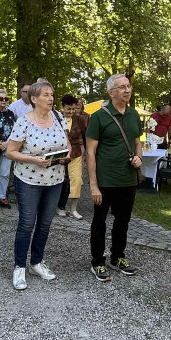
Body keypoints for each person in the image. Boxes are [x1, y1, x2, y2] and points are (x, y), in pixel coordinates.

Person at [5, 79, 72, 290]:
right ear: (34, 99)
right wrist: (34, 159)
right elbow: (10, 152)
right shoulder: (24, 121)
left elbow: (67, 143)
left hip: (55, 180)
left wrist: (67, 155)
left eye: (52, 94)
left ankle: (36, 263)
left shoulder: (59, 117)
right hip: (29, 180)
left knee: (44, 224)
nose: (51, 98)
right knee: (26, 224)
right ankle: (19, 268)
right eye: (45, 95)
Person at [86, 73, 142, 282]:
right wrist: (93, 185)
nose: (127, 90)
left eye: (128, 86)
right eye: (122, 87)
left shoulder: (134, 114)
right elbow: (90, 152)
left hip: (127, 179)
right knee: (99, 221)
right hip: (105, 180)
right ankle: (97, 261)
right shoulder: (99, 117)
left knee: (123, 221)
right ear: (111, 93)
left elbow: (137, 142)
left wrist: (138, 158)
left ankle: (117, 257)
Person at [56, 95, 85, 219]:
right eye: (69, 109)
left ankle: (73, 209)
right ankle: (59, 206)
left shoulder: (79, 119)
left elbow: (85, 136)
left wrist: (85, 152)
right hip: (60, 155)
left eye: (74, 109)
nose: (71, 111)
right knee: (61, 181)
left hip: (76, 154)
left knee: (77, 181)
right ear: (62, 107)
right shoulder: (55, 119)